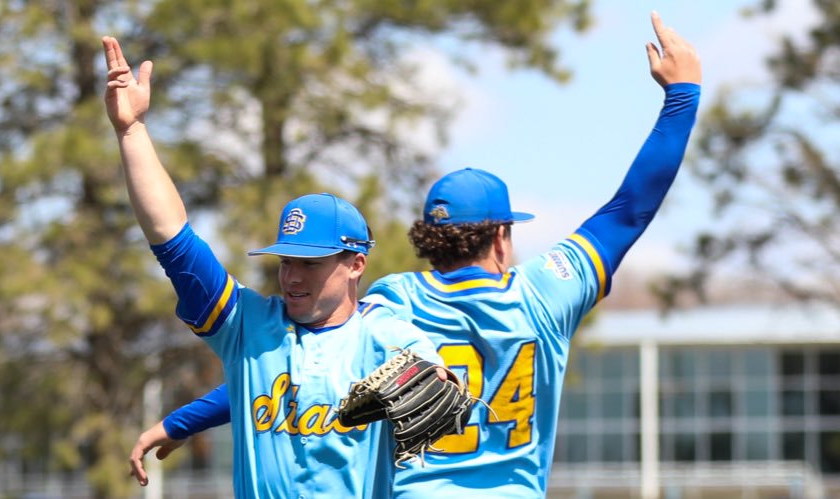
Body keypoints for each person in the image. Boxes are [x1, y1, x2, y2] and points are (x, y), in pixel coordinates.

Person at [127, 11, 702, 498]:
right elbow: (630, 209)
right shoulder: (545, 294)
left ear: (426, 237)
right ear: (502, 236)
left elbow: (291, 370)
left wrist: (186, 419)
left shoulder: (390, 303)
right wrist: (682, 97)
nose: (295, 275)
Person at [103, 35, 460, 498]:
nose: (291, 276)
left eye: (310, 264)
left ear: (356, 264)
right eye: (286, 261)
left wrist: (443, 379)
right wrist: (131, 132)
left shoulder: (386, 336)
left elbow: (439, 381)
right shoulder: (247, 328)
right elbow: (172, 239)